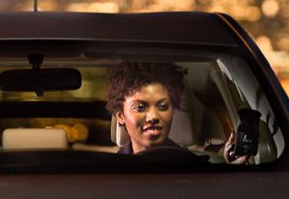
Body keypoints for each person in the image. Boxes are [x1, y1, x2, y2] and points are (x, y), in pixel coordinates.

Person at [106, 62, 248, 164]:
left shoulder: (198, 169)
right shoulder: (106, 173)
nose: (153, 117)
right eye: (140, 108)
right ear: (120, 116)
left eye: (162, 106)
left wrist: (231, 172)